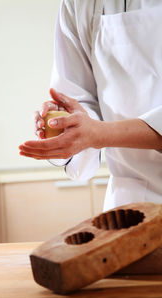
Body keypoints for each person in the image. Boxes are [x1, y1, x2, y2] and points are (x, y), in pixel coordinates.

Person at [19, 0, 162, 211]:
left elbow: (96, 133)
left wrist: (99, 134)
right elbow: (77, 97)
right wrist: (67, 124)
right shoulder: (78, 3)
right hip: (130, 203)